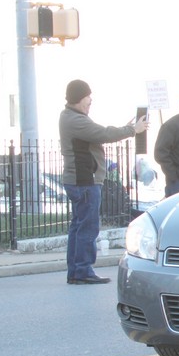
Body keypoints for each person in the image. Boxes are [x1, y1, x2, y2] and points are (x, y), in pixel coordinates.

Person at [59, 79, 148, 285]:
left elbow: (101, 132)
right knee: (87, 227)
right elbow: (103, 133)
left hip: (80, 180)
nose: (91, 100)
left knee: (78, 226)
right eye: (88, 97)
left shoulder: (71, 117)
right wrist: (132, 130)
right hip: (84, 181)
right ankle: (82, 271)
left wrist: (128, 128)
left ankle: (76, 270)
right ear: (79, 98)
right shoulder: (76, 120)